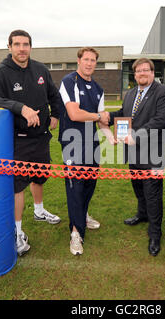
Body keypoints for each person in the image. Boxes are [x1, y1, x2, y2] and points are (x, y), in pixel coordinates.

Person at [0, 29, 62, 256]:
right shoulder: (0, 72)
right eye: (17, 44)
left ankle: (39, 210)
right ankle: (16, 231)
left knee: (40, 176)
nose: (22, 48)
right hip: (18, 140)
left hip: (42, 137)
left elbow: (54, 95)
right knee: (18, 185)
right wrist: (20, 108)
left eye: (26, 44)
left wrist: (56, 114)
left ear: (30, 47)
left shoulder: (40, 69)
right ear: (9, 47)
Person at [107, 58, 165, 256]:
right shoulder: (131, 94)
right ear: (134, 74)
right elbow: (124, 113)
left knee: (152, 193)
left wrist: (135, 136)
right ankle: (142, 215)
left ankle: (155, 234)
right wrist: (106, 117)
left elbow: (160, 120)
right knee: (138, 188)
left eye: (146, 70)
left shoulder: (164, 92)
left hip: (154, 154)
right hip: (134, 152)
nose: (142, 73)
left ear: (153, 73)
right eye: (138, 71)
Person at [58, 47, 111, 256]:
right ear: (79, 61)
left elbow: (101, 120)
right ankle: (75, 233)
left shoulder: (98, 88)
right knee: (75, 187)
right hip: (72, 142)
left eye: (93, 60)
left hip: (92, 143)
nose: (89, 63)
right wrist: (99, 117)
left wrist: (112, 137)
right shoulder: (69, 81)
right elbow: (74, 113)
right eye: (86, 59)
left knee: (89, 183)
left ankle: (83, 215)